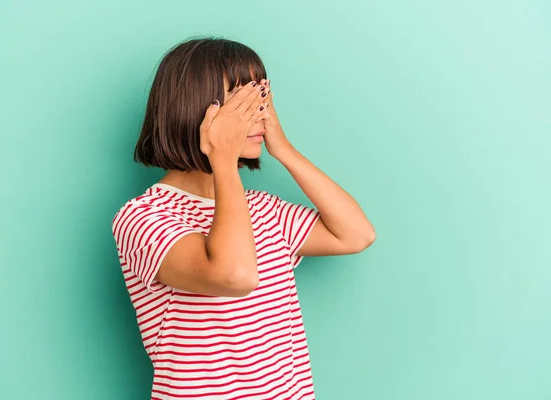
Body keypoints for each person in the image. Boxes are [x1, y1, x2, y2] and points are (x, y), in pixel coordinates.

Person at [111, 36, 376, 400]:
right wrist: (222, 158)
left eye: (261, 98)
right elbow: (234, 276)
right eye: (242, 102)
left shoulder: (263, 209)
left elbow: (356, 234)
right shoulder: (143, 217)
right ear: (194, 107)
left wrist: (284, 149)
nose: (257, 113)